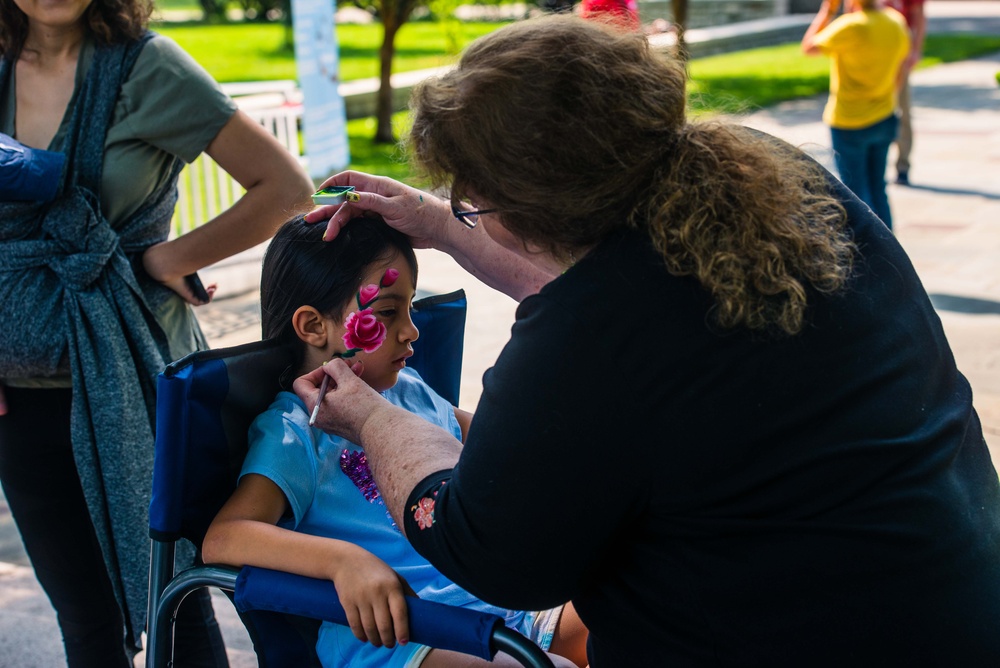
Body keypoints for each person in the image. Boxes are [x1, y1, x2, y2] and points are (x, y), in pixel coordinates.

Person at [297, 15, 1000, 666]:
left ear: (534, 207)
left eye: (471, 201)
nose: (466, 213)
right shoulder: (770, 178)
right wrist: (443, 226)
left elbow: (486, 548)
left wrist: (374, 418)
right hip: (949, 594)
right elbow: (606, 290)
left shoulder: (588, 339)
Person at [0, 0, 315, 663]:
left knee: (174, 598)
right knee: (84, 618)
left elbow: (285, 187)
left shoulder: (149, 70)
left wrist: (166, 258)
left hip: (138, 385)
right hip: (20, 400)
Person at [201, 215, 588, 668]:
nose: (411, 330)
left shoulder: (412, 390)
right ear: (313, 326)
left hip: (495, 604)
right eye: (387, 312)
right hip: (400, 637)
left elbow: (497, 447)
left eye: (409, 309)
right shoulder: (293, 430)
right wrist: (343, 562)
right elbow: (224, 538)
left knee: (636, 612)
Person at [801, 0, 910, 230]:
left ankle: (864, 258)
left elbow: (809, 47)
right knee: (878, 189)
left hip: (849, 121)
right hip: (884, 115)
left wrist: (827, 10)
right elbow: (902, 68)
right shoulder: (895, 21)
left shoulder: (850, 26)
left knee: (854, 197)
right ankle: (890, 253)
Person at [886, 0, 927, 185]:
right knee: (870, 114)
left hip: (898, 57)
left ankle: (903, 166)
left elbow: (918, 15)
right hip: (869, 55)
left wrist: (915, 50)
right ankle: (872, 167)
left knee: (902, 113)